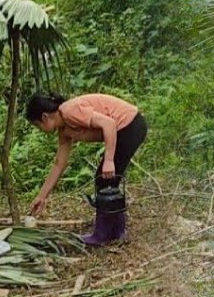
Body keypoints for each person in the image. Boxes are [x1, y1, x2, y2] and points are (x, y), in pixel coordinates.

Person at [26, 92, 148, 246]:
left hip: (130, 125)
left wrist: (109, 160)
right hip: (127, 127)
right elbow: (59, 164)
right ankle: (117, 231)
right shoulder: (64, 129)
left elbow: (109, 124)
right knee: (108, 181)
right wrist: (42, 196)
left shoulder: (69, 111)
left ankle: (102, 235)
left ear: (45, 117)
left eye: (38, 126)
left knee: (104, 180)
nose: (40, 130)